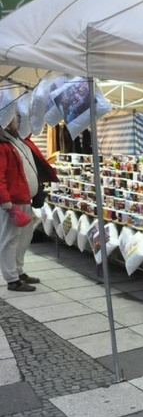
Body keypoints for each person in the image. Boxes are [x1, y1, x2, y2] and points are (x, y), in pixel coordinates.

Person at [0, 117, 58, 292]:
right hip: (13, 202)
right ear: (7, 124)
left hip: (25, 198)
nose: (19, 122)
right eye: (14, 120)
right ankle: (12, 279)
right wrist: (6, 202)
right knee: (10, 240)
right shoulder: (3, 146)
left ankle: (18, 271)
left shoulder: (20, 141)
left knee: (24, 239)